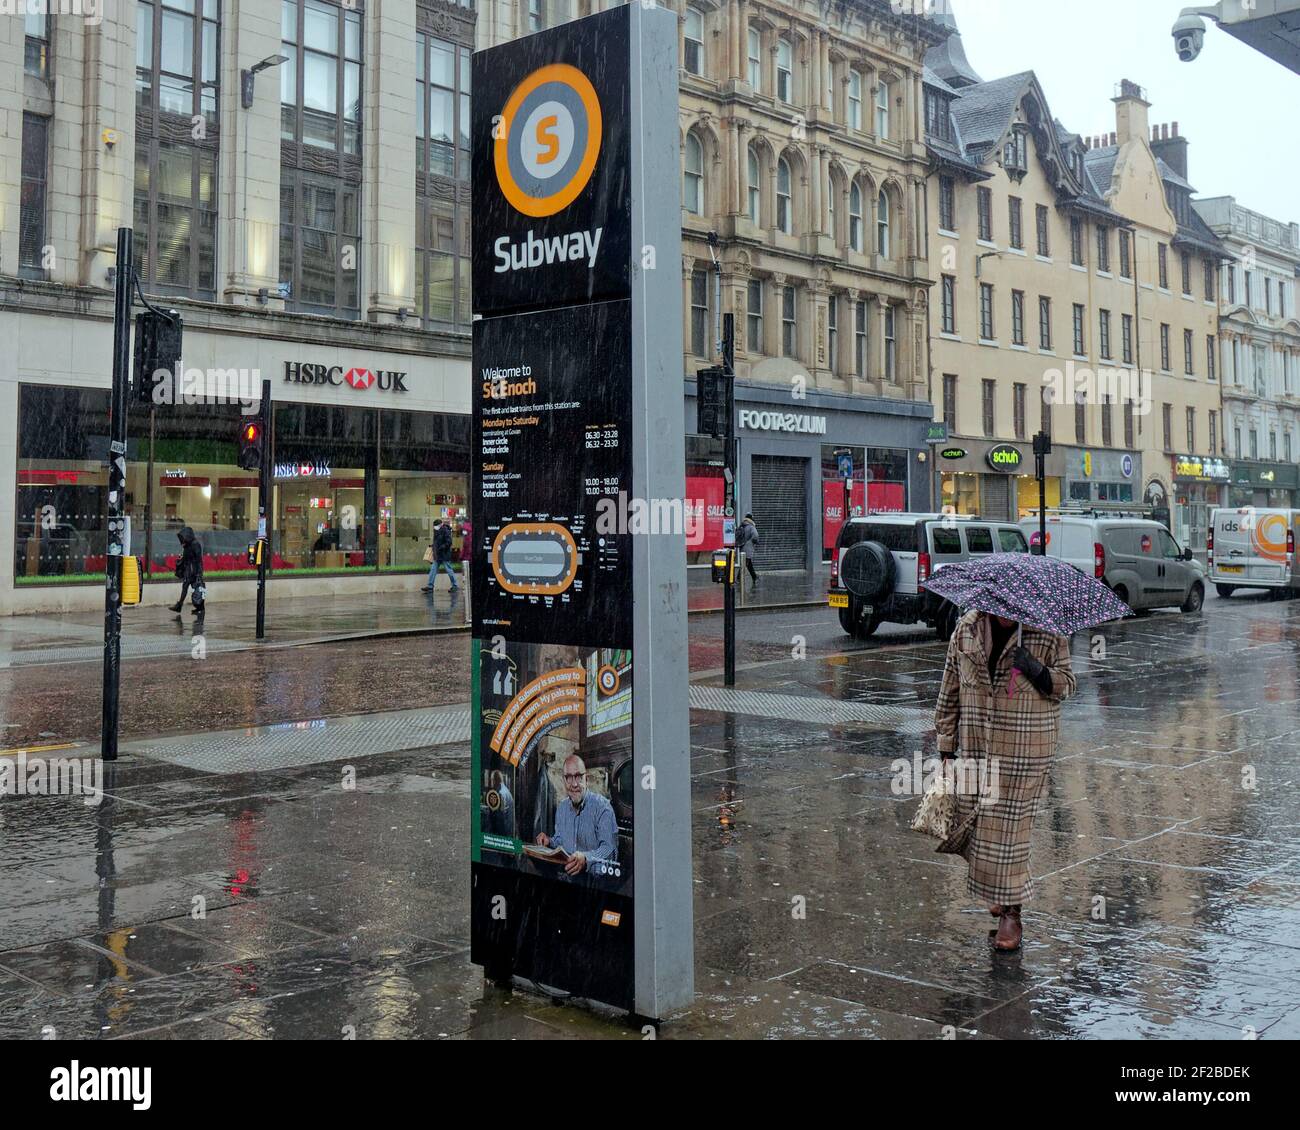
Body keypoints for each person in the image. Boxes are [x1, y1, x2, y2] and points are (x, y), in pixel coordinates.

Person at [932, 610, 1076, 952]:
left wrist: (1037, 671)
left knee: (1011, 830)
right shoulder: (966, 630)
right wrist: (946, 747)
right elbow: (950, 687)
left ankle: (1012, 914)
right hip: (977, 745)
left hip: (1026, 747)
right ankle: (998, 882)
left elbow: (1067, 684)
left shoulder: (1047, 631)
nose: (1007, 616)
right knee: (975, 823)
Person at [535, 753, 618, 876]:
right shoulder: (562, 808)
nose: (574, 784)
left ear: (586, 779)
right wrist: (549, 841)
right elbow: (560, 840)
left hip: (593, 883)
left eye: (578, 776)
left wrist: (585, 858)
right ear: (564, 780)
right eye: (568, 777)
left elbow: (610, 851)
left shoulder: (603, 808)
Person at [169, 526, 205, 616]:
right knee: (186, 587)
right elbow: (186, 557)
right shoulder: (187, 546)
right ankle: (180, 605)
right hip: (189, 570)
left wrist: (199, 572)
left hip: (194, 570)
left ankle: (200, 608)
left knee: (198, 588)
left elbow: (198, 559)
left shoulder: (195, 544)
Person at [422, 518, 458, 592]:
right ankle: (430, 586)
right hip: (438, 555)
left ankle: (454, 586)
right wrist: (433, 546)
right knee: (433, 570)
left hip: (444, 554)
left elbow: (449, 542)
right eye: (434, 526)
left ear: (440, 525)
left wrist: (442, 547)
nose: (435, 527)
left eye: (436, 525)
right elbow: (437, 541)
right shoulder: (436, 531)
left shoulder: (446, 531)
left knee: (449, 570)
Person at [735, 513, 759, 584]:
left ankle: (755, 577)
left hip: (742, 546)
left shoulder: (742, 525)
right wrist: (755, 542)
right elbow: (755, 536)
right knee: (745, 563)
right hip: (748, 547)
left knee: (748, 563)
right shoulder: (751, 526)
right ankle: (738, 579)